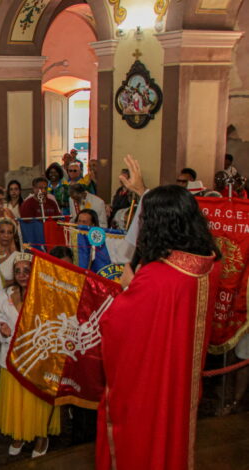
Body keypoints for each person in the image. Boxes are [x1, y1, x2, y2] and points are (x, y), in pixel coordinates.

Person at [96, 159, 221, 469]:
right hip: (182, 378)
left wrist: (127, 287)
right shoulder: (207, 263)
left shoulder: (158, 278)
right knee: (175, 438)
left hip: (153, 384)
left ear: (158, 225)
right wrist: (142, 192)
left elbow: (115, 326)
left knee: (146, 444)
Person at [0, 252, 59, 458]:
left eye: (27, 270)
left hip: (38, 360)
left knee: (36, 400)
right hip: (12, 359)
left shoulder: (46, 293)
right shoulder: (5, 294)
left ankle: (41, 436)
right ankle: (19, 435)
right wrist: (0, 326)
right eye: (18, 271)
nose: (22, 275)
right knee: (17, 401)